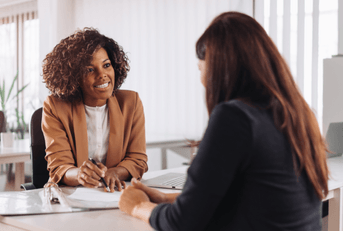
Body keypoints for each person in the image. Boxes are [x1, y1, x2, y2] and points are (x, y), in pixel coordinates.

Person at [118, 12, 329, 230]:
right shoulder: (301, 115)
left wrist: (137, 206)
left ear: (219, 69)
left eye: (201, 69)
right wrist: (164, 199)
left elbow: (182, 223)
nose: (202, 82)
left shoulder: (235, 118)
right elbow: (247, 198)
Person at [42, 28, 148, 192]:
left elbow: (137, 159)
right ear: (73, 76)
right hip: (71, 196)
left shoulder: (130, 103)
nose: (102, 75)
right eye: (90, 69)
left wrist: (115, 173)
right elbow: (59, 166)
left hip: (114, 194)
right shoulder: (55, 106)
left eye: (106, 65)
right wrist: (80, 174)